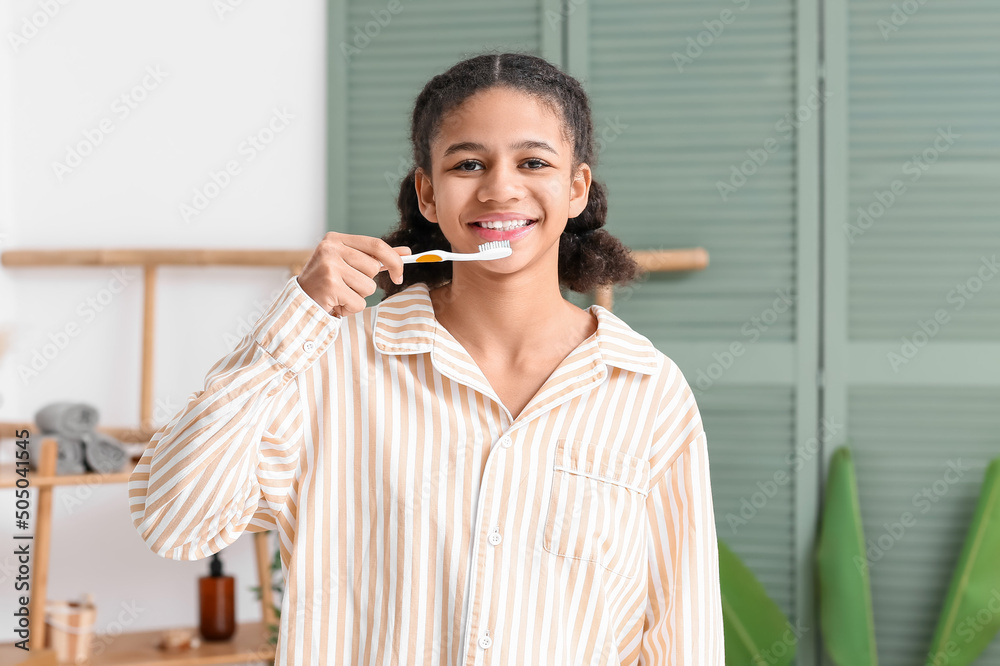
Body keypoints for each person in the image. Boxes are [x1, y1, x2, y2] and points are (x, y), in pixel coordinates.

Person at [128, 51, 724, 665]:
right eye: (468, 163)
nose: (500, 188)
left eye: (533, 162)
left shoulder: (648, 389)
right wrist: (296, 316)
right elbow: (175, 521)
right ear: (428, 194)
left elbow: (683, 635)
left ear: (575, 188)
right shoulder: (327, 365)